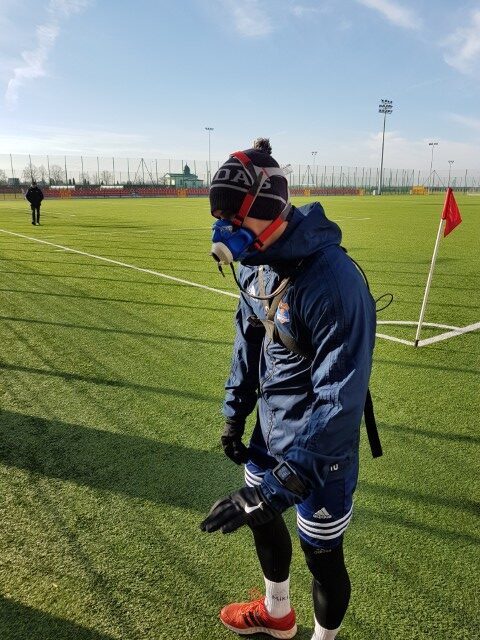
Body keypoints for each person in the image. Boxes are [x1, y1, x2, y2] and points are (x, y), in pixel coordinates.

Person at [200, 139, 378, 640]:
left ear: (269, 207)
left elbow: (339, 404)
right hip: (269, 431)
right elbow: (248, 342)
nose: (222, 230)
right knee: (262, 519)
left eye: (233, 217)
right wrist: (235, 414)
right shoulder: (255, 262)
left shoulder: (334, 283)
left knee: (323, 558)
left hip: (321, 455)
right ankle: (277, 613)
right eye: (218, 217)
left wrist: (280, 487)